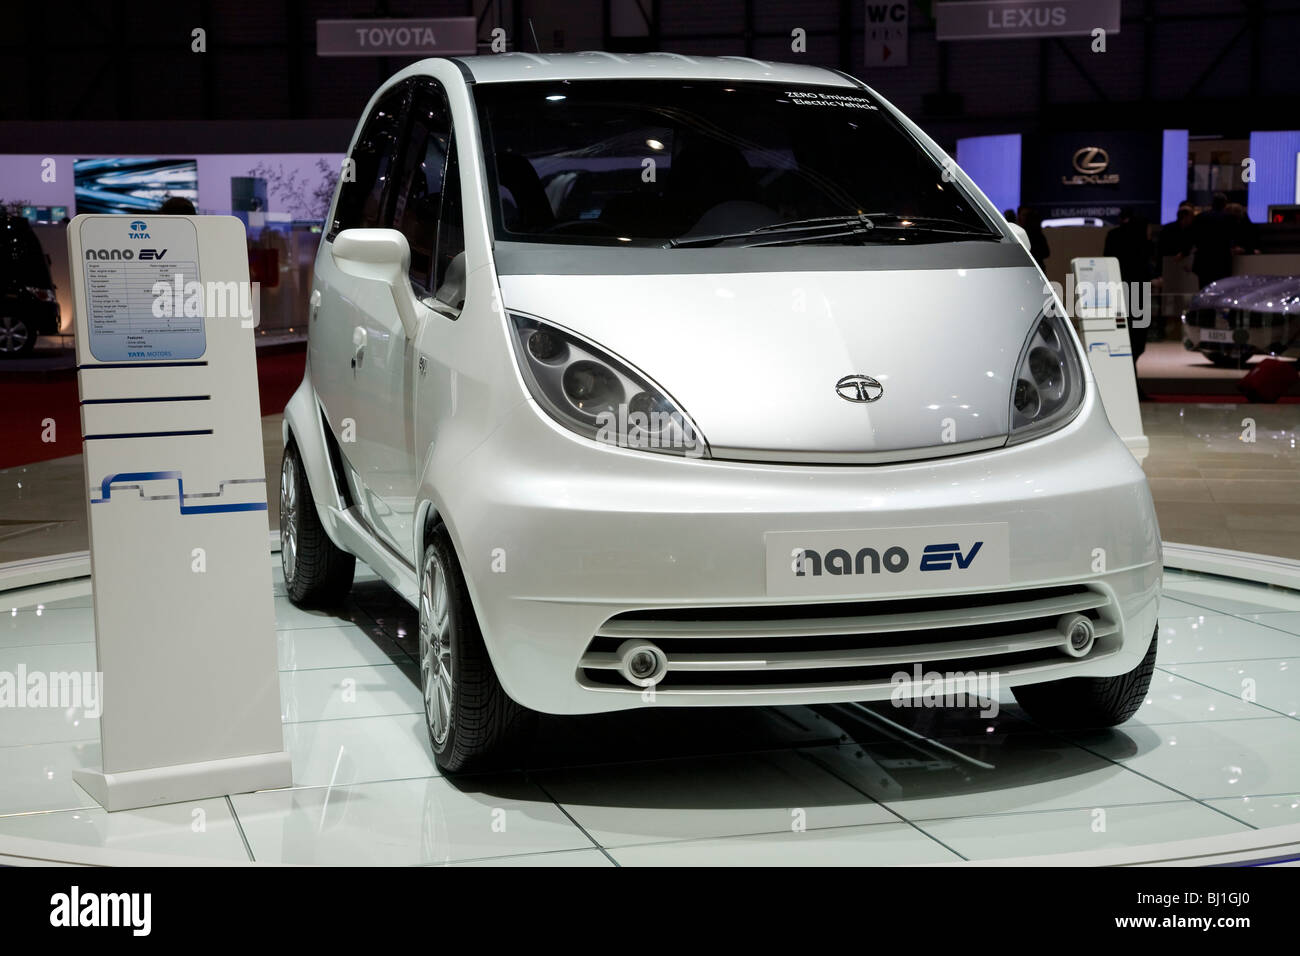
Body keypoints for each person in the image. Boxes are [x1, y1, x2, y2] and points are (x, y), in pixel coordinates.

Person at [1104, 208, 1157, 400]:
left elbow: (1107, 261)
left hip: (1119, 294)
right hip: (1137, 295)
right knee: (1135, 342)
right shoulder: (1141, 242)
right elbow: (1145, 267)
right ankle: (1132, 387)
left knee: (1126, 341)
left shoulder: (1114, 236)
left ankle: (1128, 385)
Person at [1190, 193, 1235, 288]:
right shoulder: (1229, 218)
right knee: (1221, 289)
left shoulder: (1200, 217)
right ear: (1224, 204)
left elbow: (1192, 237)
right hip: (1222, 260)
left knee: (1204, 289)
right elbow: (1232, 238)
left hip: (1203, 260)